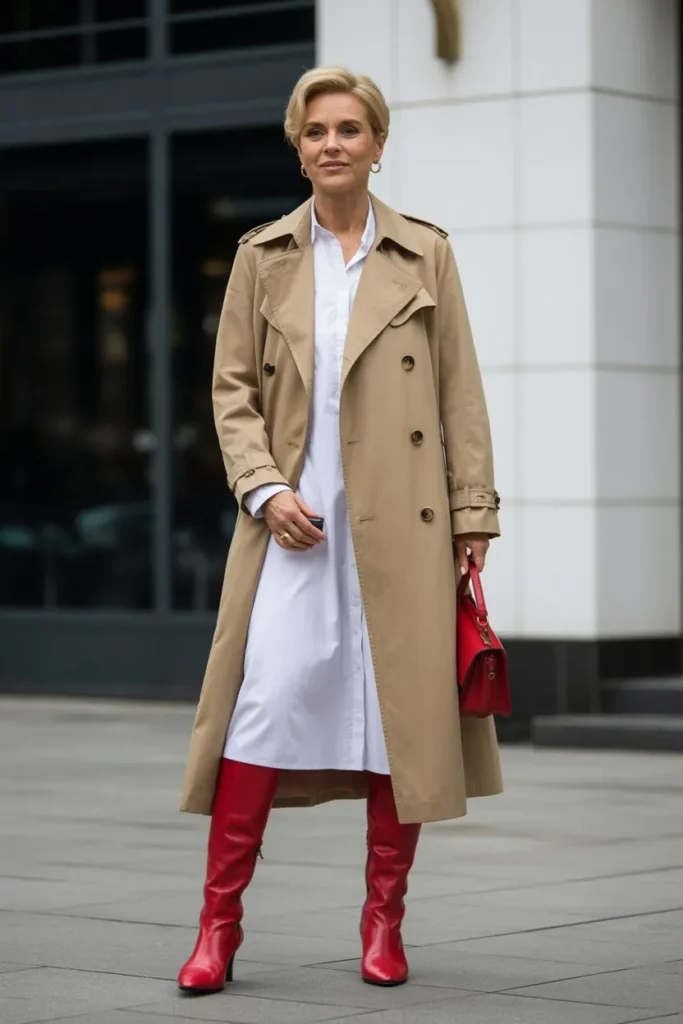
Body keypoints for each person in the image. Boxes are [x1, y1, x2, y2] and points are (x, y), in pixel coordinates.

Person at [177, 65, 502, 995]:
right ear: (297, 144)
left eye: (350, 128)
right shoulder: (261, 256)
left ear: (377, 143)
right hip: (291, 523)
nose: (332, 143)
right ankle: (217, 925)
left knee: (395, 720)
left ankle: (383, 924)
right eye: (315, 129)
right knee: (259, 706)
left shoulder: (424, 254)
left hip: (401, 522)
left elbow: (458, 393)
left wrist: (472, 513)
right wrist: (262, 488)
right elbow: (231, 390)